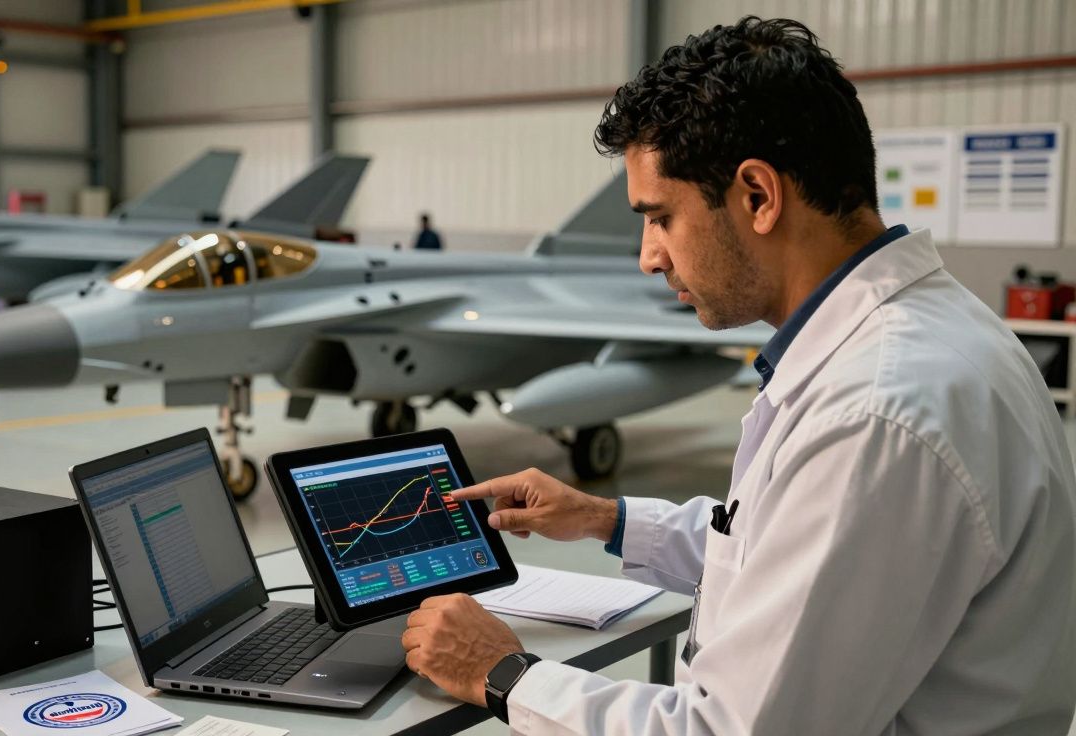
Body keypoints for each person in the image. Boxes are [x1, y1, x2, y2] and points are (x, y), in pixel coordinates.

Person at [400, 17, 1076, 734]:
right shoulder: (933, 336)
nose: (648, 257)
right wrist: (605, 519)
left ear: (757, 195)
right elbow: (788, 555)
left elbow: (728, 729)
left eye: (660, 217)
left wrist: (502, 673)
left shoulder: (874, 414)